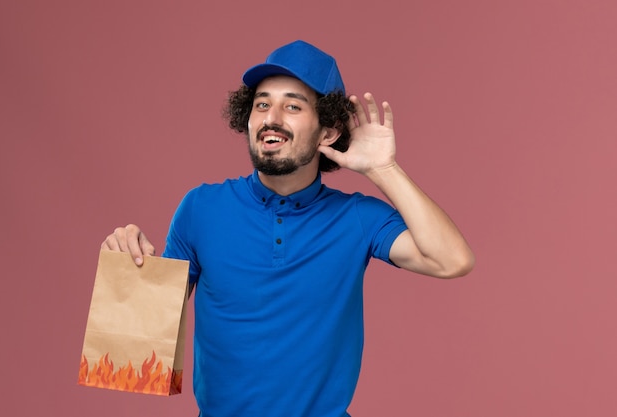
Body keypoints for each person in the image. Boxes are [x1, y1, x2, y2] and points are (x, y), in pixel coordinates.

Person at [102, 40, 474, 417]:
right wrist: (129, 269)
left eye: (292, 106)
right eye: (262, 104)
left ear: (327, 133)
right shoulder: (200, 208)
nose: (271, 117)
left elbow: (451, 261)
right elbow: (145, 336)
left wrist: (383, 170)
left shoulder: (358, 218)